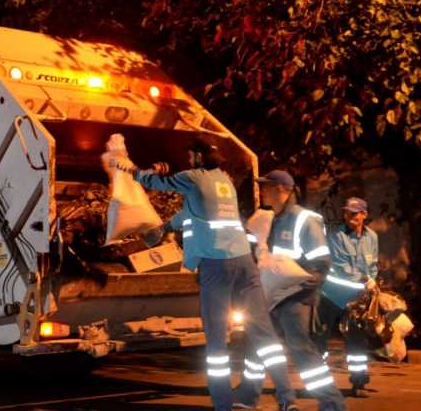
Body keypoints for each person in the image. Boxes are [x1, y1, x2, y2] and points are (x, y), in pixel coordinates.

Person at [117, 141, 299, 411]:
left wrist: (132, 171)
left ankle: (223, 405)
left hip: (217, 266)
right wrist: (165, 226)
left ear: (198, 156)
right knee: (263, 334)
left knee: (216, 340)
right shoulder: (224, 182)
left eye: (190, 155)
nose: (189, 159)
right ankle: (287, 399)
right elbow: (196, 211)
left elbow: (157, 183)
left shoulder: (192, 177)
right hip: (244, 263)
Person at [235, 170, 347, 411]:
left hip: (295, 296)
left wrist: (303, 287)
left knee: (301, 349)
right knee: (259, 345)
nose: (262, 190)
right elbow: (255, 253)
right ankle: (247, 396)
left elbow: (321, 262)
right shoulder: (266, 218)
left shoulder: (304, 219)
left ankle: (331, 403)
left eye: (266, 186)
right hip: (270, 294)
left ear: (282, 190)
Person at [316, 197, 379, 397]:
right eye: (347, 213)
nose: (350, 216)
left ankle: (359, 382)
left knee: (357, 340)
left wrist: (372, 281)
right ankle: (318, 383)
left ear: (364, 215)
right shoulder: (336, 236)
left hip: (357, 298)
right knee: (320, 339)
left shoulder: (372, 237)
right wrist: (365, 279)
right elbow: (341, 267)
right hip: (332, 295)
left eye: (355, 213)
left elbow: (373, 264)